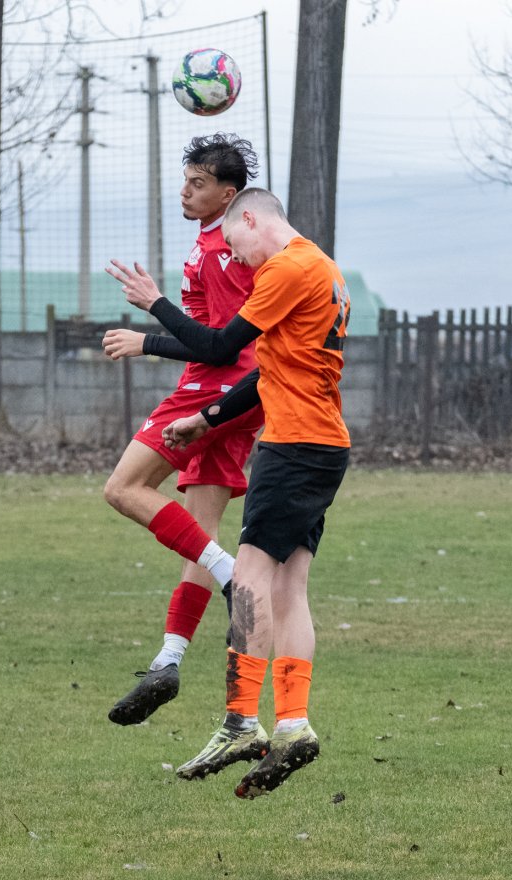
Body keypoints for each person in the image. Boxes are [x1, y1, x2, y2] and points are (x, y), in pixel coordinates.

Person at [104, 187, 351, 799]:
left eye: (233, 242)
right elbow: (270, 372)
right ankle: (293, 723)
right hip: (325, 446)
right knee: (290, 585)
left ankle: (242, 720)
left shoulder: (285, 268)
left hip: (291, 448)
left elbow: (219, 347)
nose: (233, 257)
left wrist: (155, 305)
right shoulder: (323, 268)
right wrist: (210, 418)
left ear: (250, 218)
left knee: (247, 582)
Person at [100, 134, 264, 727]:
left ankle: (231, 577)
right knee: (200, 532)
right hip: (242, 395)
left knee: (122, 490)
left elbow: (218, 348)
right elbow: (210, 341)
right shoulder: (218, 240)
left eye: (198, 183)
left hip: (216, 390)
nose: (184, 192)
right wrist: (151, 338)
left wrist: (152, 314)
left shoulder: (225, 247)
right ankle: (168, 661)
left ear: (229, 192)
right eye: (185, 180)